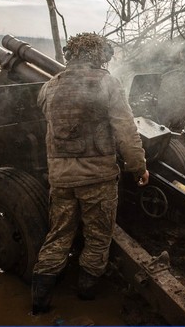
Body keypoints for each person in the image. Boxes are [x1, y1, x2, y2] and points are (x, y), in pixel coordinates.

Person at [31, 32, 149, 314]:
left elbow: (46, 116)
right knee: (98, 237)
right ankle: (86, 294)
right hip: (98, 179)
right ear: (99, 55)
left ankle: (40, 300)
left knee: (58, 235)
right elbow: (126, 130)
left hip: (61, 178)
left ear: (70, 55)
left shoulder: (50, 86)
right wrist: (139, 166)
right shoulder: (107, 83)